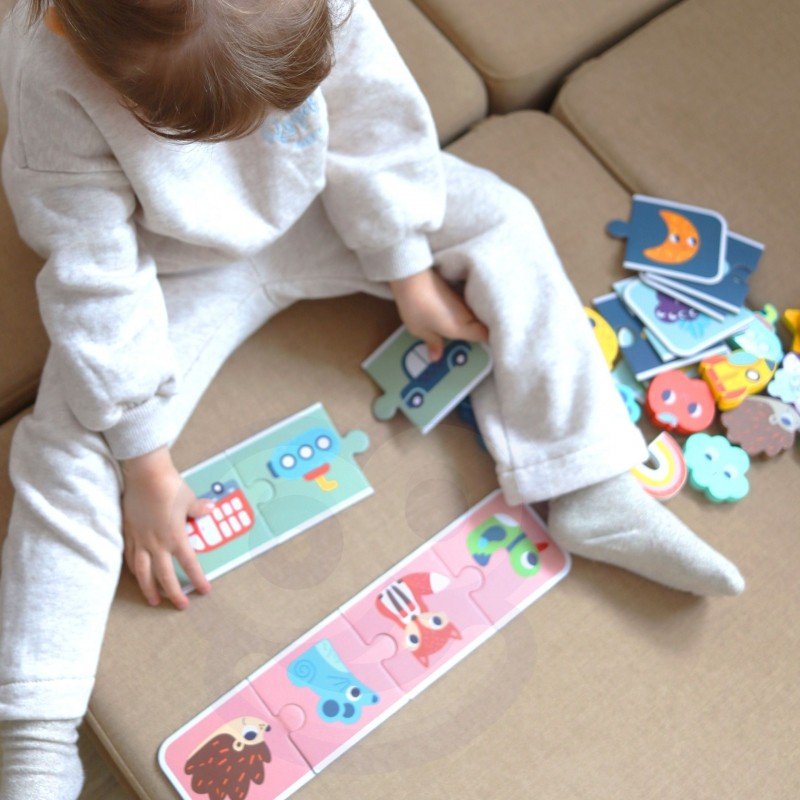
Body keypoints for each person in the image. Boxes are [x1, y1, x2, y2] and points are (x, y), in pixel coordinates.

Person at [0, 0, 744, 796]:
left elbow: (374, 116)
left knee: (502, 219)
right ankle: (34, 728)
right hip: (167, 270)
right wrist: (144, 463)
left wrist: (406, 265)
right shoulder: (54, 64)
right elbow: (95, 278)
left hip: (325, 202)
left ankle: (585, 479)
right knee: (67, 442)